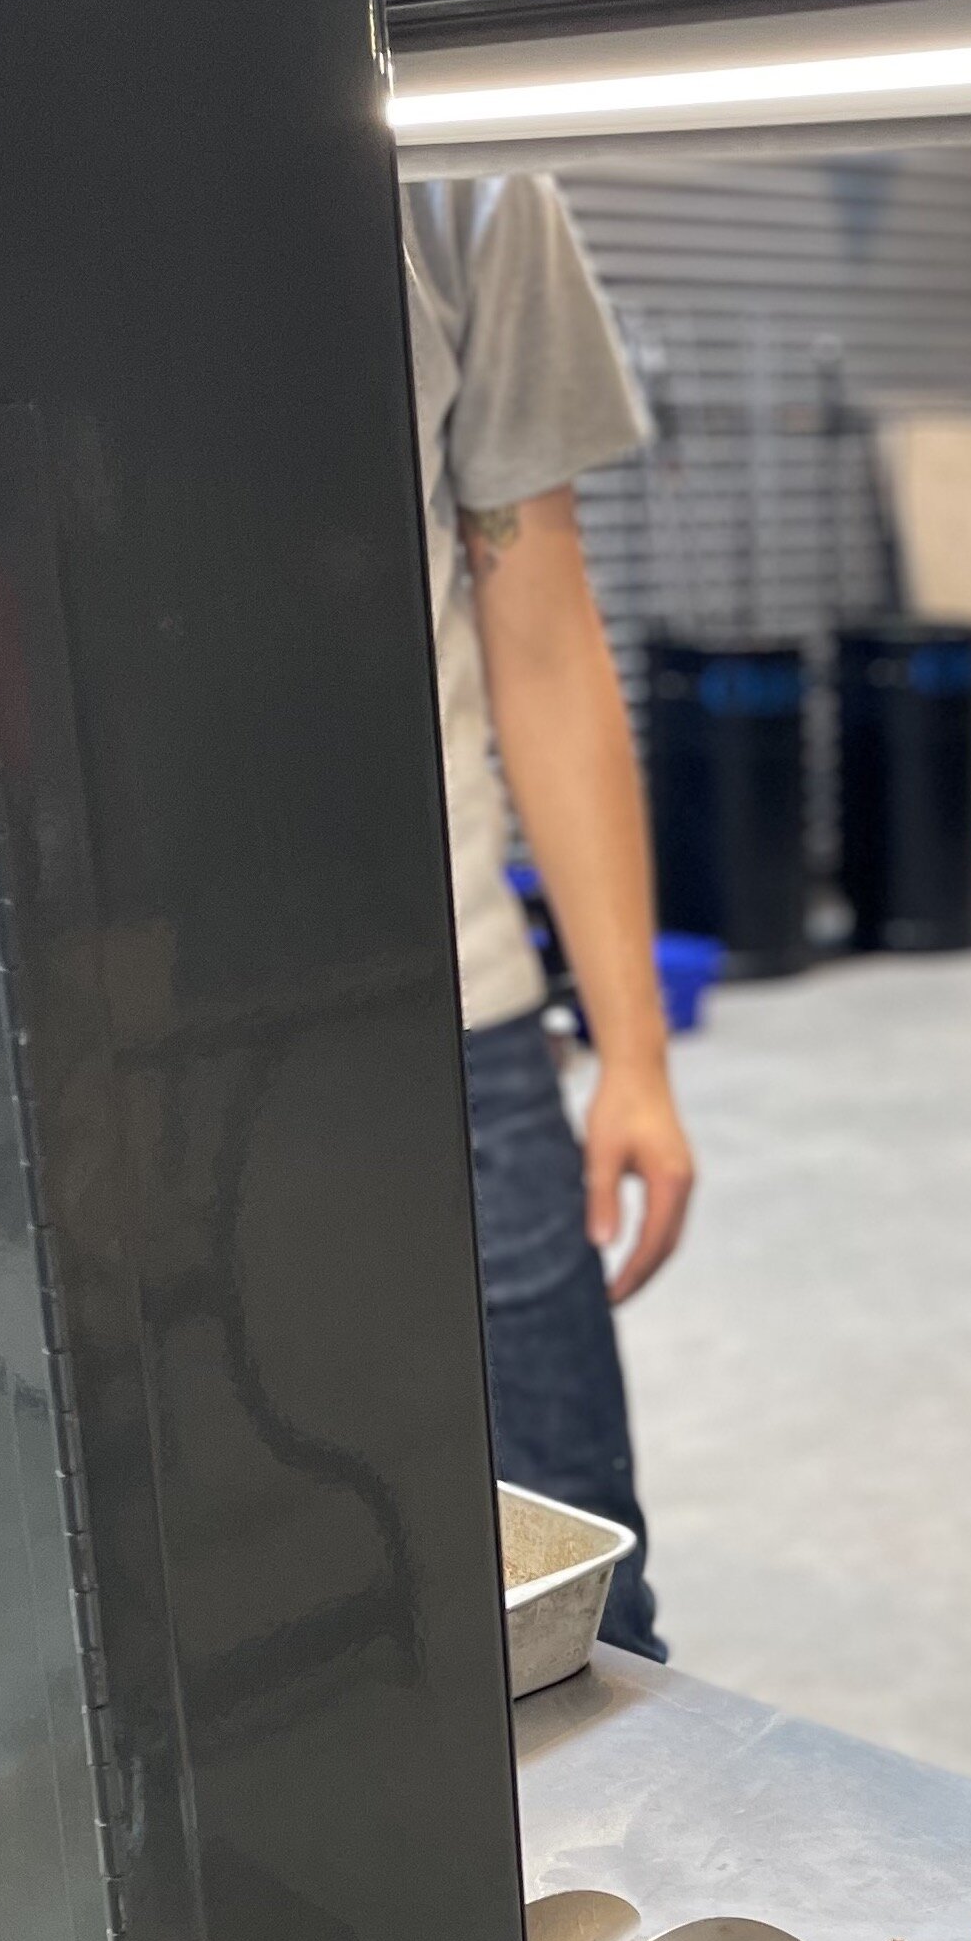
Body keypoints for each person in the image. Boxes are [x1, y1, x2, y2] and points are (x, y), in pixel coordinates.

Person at [402, 175, 693, 1660]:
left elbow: (540, 628)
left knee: (577, 1602)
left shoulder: (463, 165)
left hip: (457, 1016)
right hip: (102, 1040)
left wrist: (630, 1050)